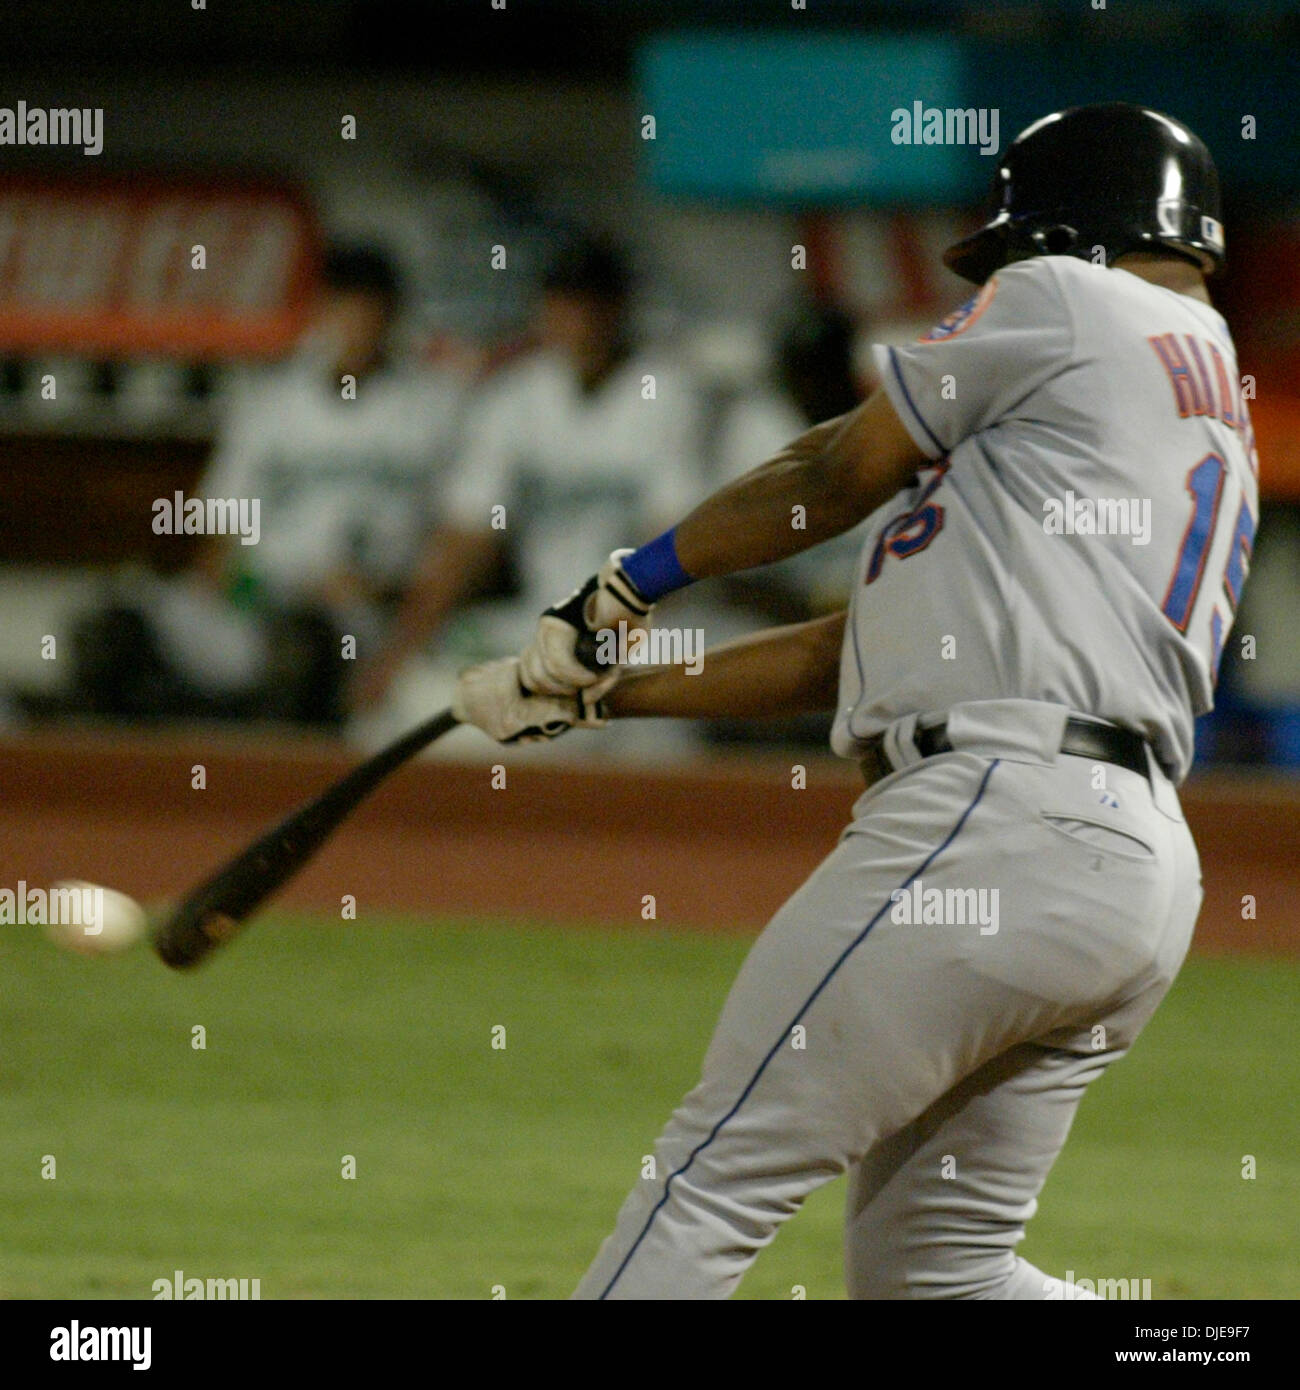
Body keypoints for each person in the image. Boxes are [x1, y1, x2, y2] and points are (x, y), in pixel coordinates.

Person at [451, 104, 1257, 1298]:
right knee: (939, 1271)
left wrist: (625, 583)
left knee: (710, 1180)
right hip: (1133, 868)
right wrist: (600, 696)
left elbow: (832, 472)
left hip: (997, 812)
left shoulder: (1069, 299)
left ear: (1076, 227)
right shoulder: (1202, 404)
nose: (1006, 264)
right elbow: (858, 644)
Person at [67, 243, 466, 726]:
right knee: (113, 631)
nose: (357, 325)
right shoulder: (272, 403)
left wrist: (392, 605)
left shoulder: (435, 407)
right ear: (323, 310)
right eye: (343, 306)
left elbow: (458, 538)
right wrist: (225, 593)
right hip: (257, 606)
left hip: (362, 620)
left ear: (392, 316)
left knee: (302, 649)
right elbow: (224, 532)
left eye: (370, 310)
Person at [348, 235, 705, 758]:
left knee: (659, 724)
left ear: (619, 308)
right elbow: (465, 539)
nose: (578, 319)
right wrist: (400, 649)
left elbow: (675, 541)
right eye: (564, 303)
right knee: (414, 702)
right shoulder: (515, 397)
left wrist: (608, 626)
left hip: (650, 628)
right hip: (544, 622)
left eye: (592, 303)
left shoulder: (667, 391)